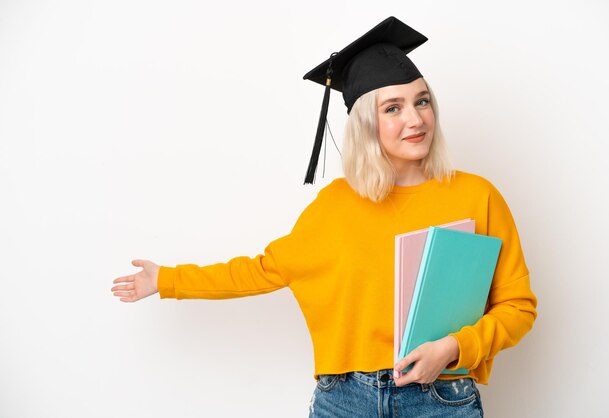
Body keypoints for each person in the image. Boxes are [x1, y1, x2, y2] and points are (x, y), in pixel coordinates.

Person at [111, 16, 537, 417]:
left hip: (439, 396)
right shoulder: (335, 205)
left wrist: (453, 347)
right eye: (393, 108)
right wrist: (165, 280)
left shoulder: (476, 196)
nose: (415, 118)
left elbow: (518, 307)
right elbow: (262, 271)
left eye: (421, 101)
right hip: (345, 400)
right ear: (366, 123)